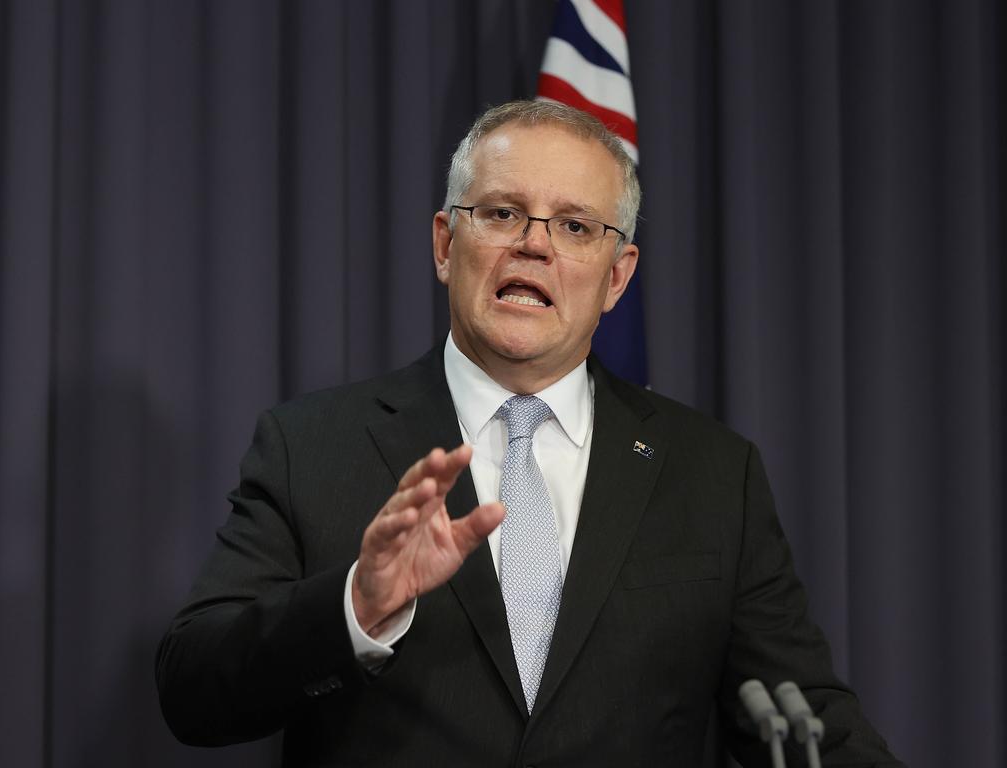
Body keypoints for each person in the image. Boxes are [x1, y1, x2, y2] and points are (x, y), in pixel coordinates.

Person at [157, 100, 902, 767]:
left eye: (575, 226)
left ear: (616, 277)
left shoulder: (711, 472)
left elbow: (805, 720)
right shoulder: (312, 445)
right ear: (446, 245)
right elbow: (194, 689)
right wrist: (357, 604)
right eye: (504, 213)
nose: (534, 246)